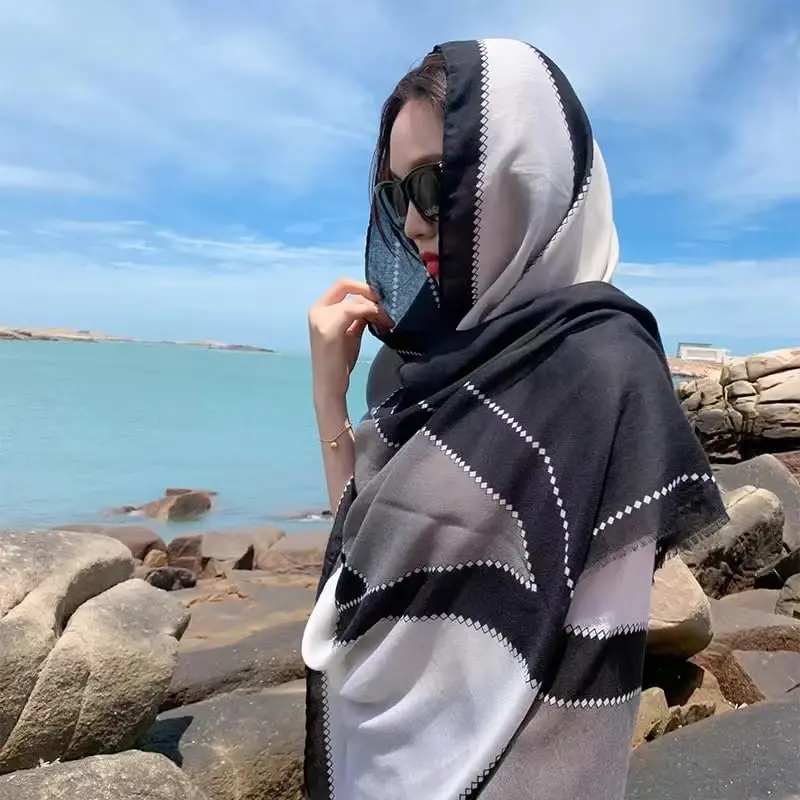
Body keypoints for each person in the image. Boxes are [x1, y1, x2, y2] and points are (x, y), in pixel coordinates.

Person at [303, 38, 728, 800]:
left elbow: (589, 669)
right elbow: (359, 587)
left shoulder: (601, 373)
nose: (414, 222)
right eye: (395, 197)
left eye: (435, 183)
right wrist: (329, 400)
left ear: (520, 176)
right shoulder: (420, 367)